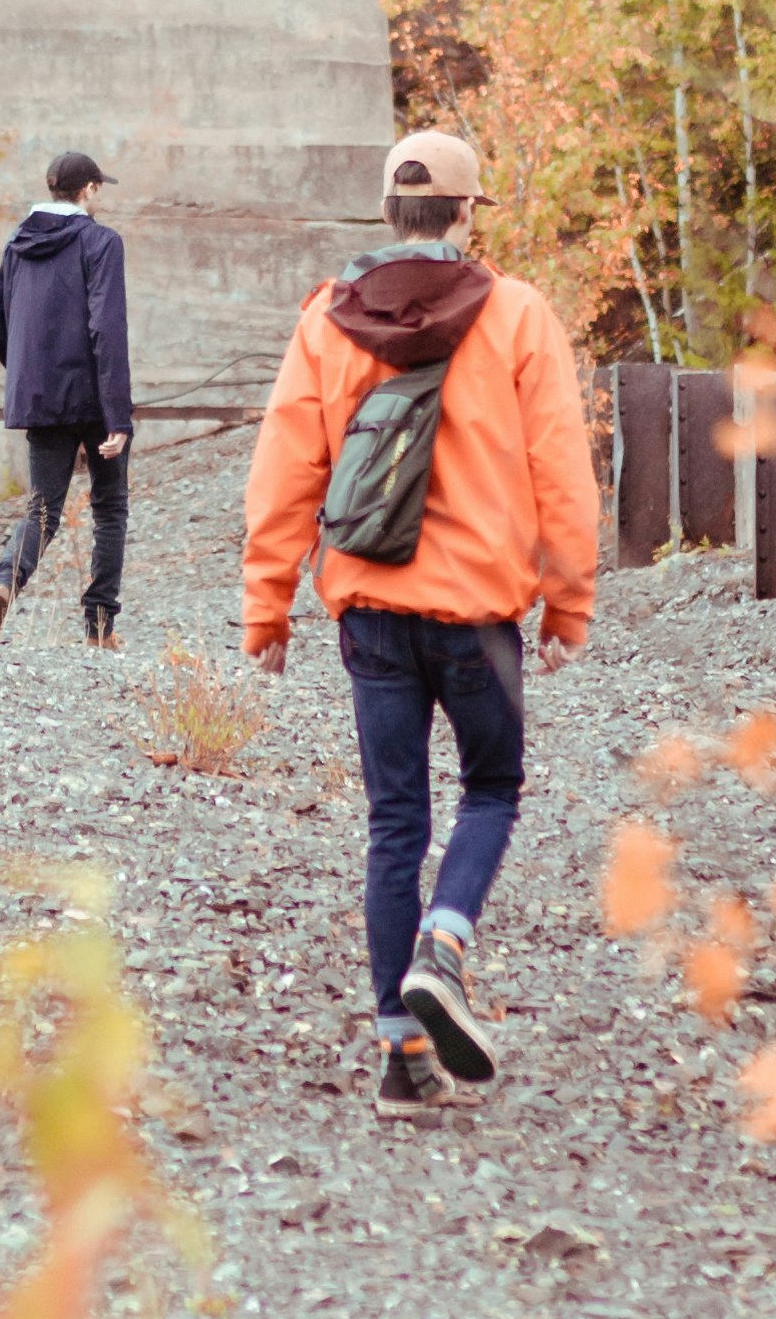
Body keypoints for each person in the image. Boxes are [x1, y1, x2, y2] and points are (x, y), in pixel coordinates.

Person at [241, 128, 598, 1113]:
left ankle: (401, 1056)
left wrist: (265, 604)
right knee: (491, 785)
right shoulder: (519, 314)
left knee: (394, 820)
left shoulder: (329, 314)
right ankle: (444, 940)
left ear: (387, 212)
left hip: (369, 605)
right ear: (470, 211)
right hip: (480, 608)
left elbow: (285, 464)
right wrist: (569, 596)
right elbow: (560, 466)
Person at [0, 151, 133, 646]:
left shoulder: (17, 243)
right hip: (96, 399)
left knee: (41, 512)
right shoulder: (101, 242)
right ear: (89, 191)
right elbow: (106, 329)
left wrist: (30, 376)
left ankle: (2, 586)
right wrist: (117, 415)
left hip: (40, 398)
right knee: (109, 509)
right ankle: (99, 628)